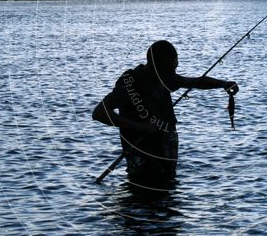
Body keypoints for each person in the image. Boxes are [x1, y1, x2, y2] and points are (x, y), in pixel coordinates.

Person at [92, 40, 238, 192]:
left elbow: (194, 82)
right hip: (142, 165)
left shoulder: (166, 78)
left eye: (174, 70)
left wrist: (224, 84)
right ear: (154, 66)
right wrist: (139, 126)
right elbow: (99, 112)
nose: (173, 75)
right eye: (168, 71)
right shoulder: (130, 84)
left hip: (166, 163)